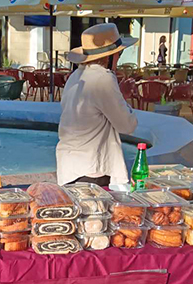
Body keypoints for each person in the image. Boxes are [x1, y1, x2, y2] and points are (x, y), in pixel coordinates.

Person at [57, 23, 138, 187]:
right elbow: (127, 126)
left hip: (69, 166)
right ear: (109, 57)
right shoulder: (103, 78)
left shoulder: (76, 76)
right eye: (119, 53)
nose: (119, 58)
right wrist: (124, 98)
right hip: (92, 169)